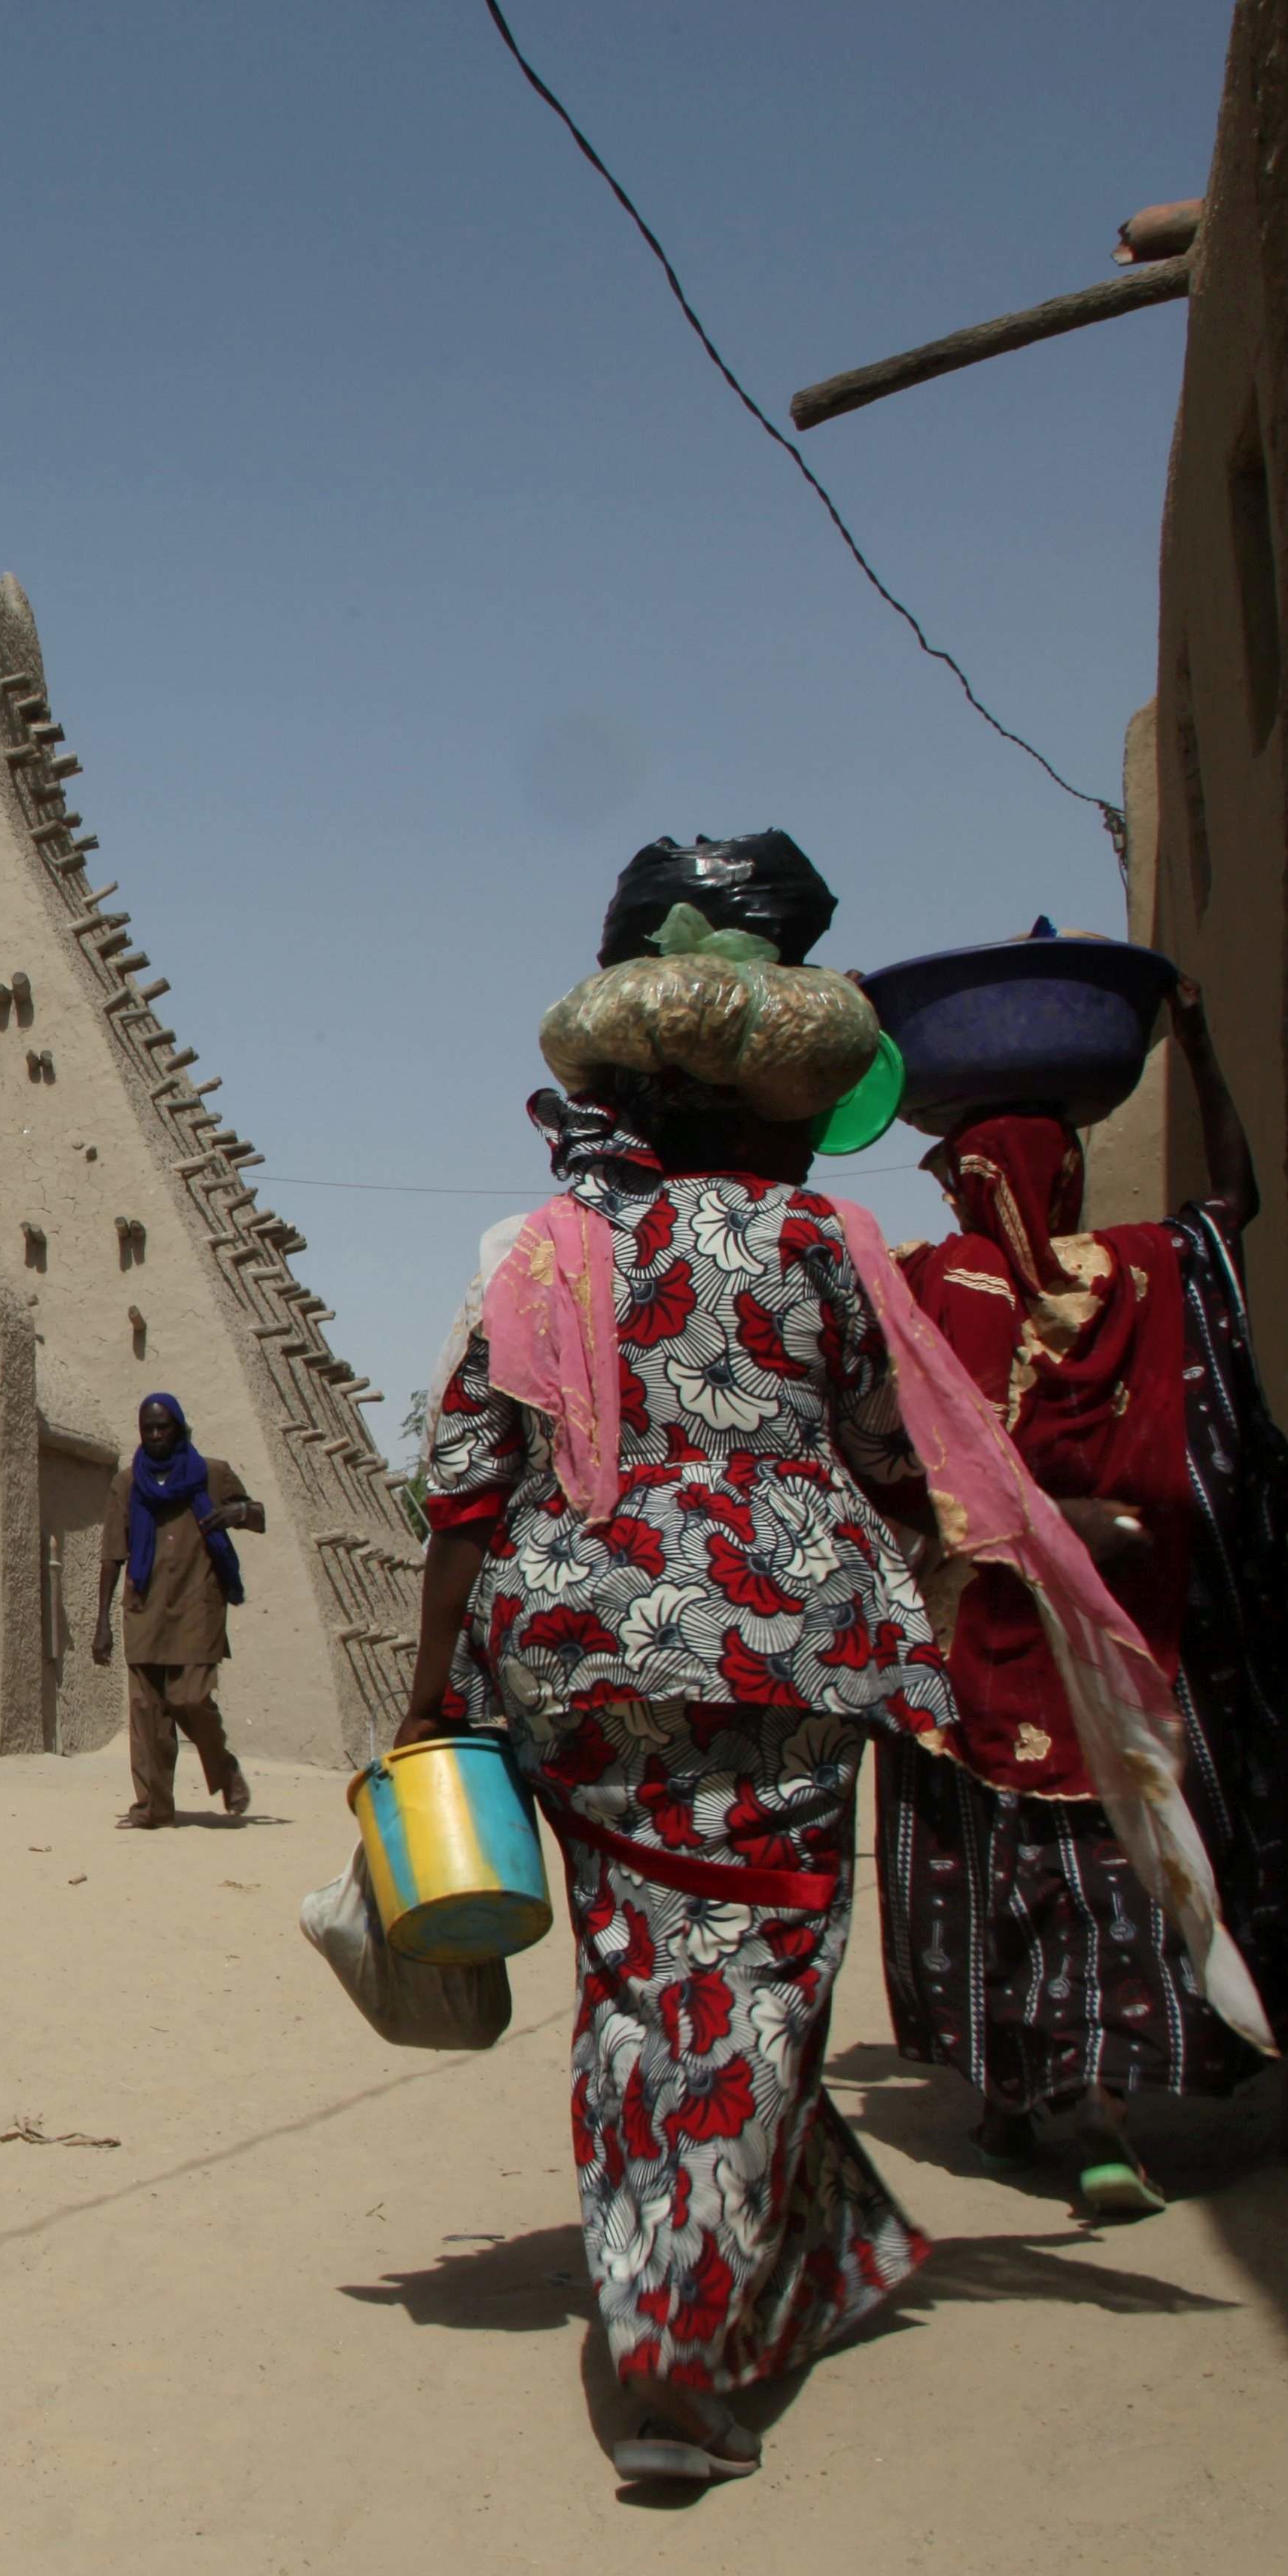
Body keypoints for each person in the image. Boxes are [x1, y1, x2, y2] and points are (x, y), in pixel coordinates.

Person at [400, 832, 961, 2488]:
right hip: (786, 1657)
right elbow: (894, 1452)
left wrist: (432, 1685)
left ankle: (806, 2252)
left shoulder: (555, 1255)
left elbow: (462, 1479)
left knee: (648, 1984)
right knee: (761, 1986)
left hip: (581, 1663)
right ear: (780, 1114)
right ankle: (670, 2359)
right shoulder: (822, 1248)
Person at [875, 976, 1288, 2218]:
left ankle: (1033, 2092)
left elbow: (886, 1448)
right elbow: (1237, 1200)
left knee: (992, 1867)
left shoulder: (928, 1288)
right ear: (1065, 1178)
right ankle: (1096, 2107)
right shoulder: (1138, 1275)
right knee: (1108, 1863)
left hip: (982, 1643)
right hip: (1127, 1640)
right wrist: (1201, 1040)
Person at [89, 1391, 265, 1827]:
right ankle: (153, 1808)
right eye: (147, 1428)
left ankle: (224, 1769)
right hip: (144, 1607)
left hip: (197, 1605)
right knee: (147, 1712)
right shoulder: (128, 1484)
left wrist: (236, 1513)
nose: (155, 1435)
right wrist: (102, 1622)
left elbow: (259, 1515)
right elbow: (114, 1553)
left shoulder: (212, 1475)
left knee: (190, 1697)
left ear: (179, 1428)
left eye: (163, 1427)